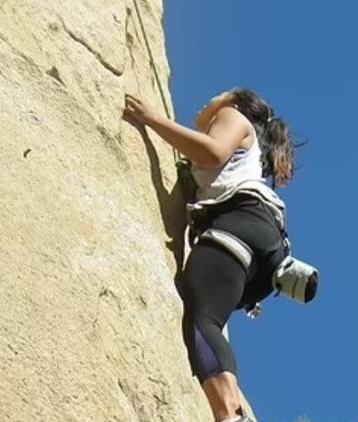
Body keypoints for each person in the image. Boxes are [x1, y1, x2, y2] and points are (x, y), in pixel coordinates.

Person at [123, 87, 300, 422]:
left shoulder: (233, 116)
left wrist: (153, 119)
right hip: (259, 243)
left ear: (235, 101)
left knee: (202, 318)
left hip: (240, 225)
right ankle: (234, 415)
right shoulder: (249, 155)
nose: (207, 101)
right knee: (211, 318)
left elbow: (214, 152)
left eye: (219, 95)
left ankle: (230, 416)